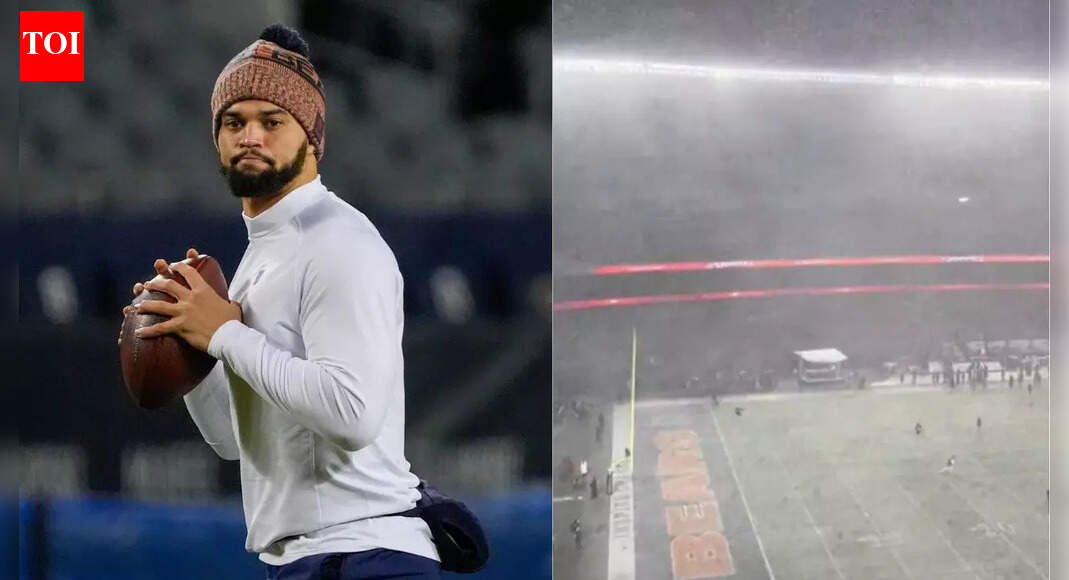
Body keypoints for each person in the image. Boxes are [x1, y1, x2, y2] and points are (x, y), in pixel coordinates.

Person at [124, 25, 441, 578]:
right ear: (216, 139)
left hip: (363, 556)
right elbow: (233, 442)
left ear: (312, 136)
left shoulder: (339, 241)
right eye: (233, 121)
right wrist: (188, 337)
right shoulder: (258, 261)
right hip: (309, 558)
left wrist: (223, 334)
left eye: (272, 121)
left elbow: (353, 415)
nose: (250, 135)